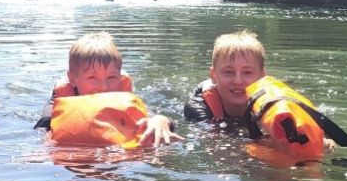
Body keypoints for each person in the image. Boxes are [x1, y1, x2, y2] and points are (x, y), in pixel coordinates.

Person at [35, 32, 183, 146]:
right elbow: (43, 132)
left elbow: (151, 116)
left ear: (119, 78)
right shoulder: (57, 103)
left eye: (111, 78)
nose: (104, 87)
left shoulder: (124, 99)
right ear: (73, 79)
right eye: (92, 78)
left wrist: (161, 120)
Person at [184, 30, 266, 123]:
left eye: (247, 72)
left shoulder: (273, 104)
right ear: (213, 75)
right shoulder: (198, 107)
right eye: (228, 72)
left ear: (261, 77)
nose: (238, 81)